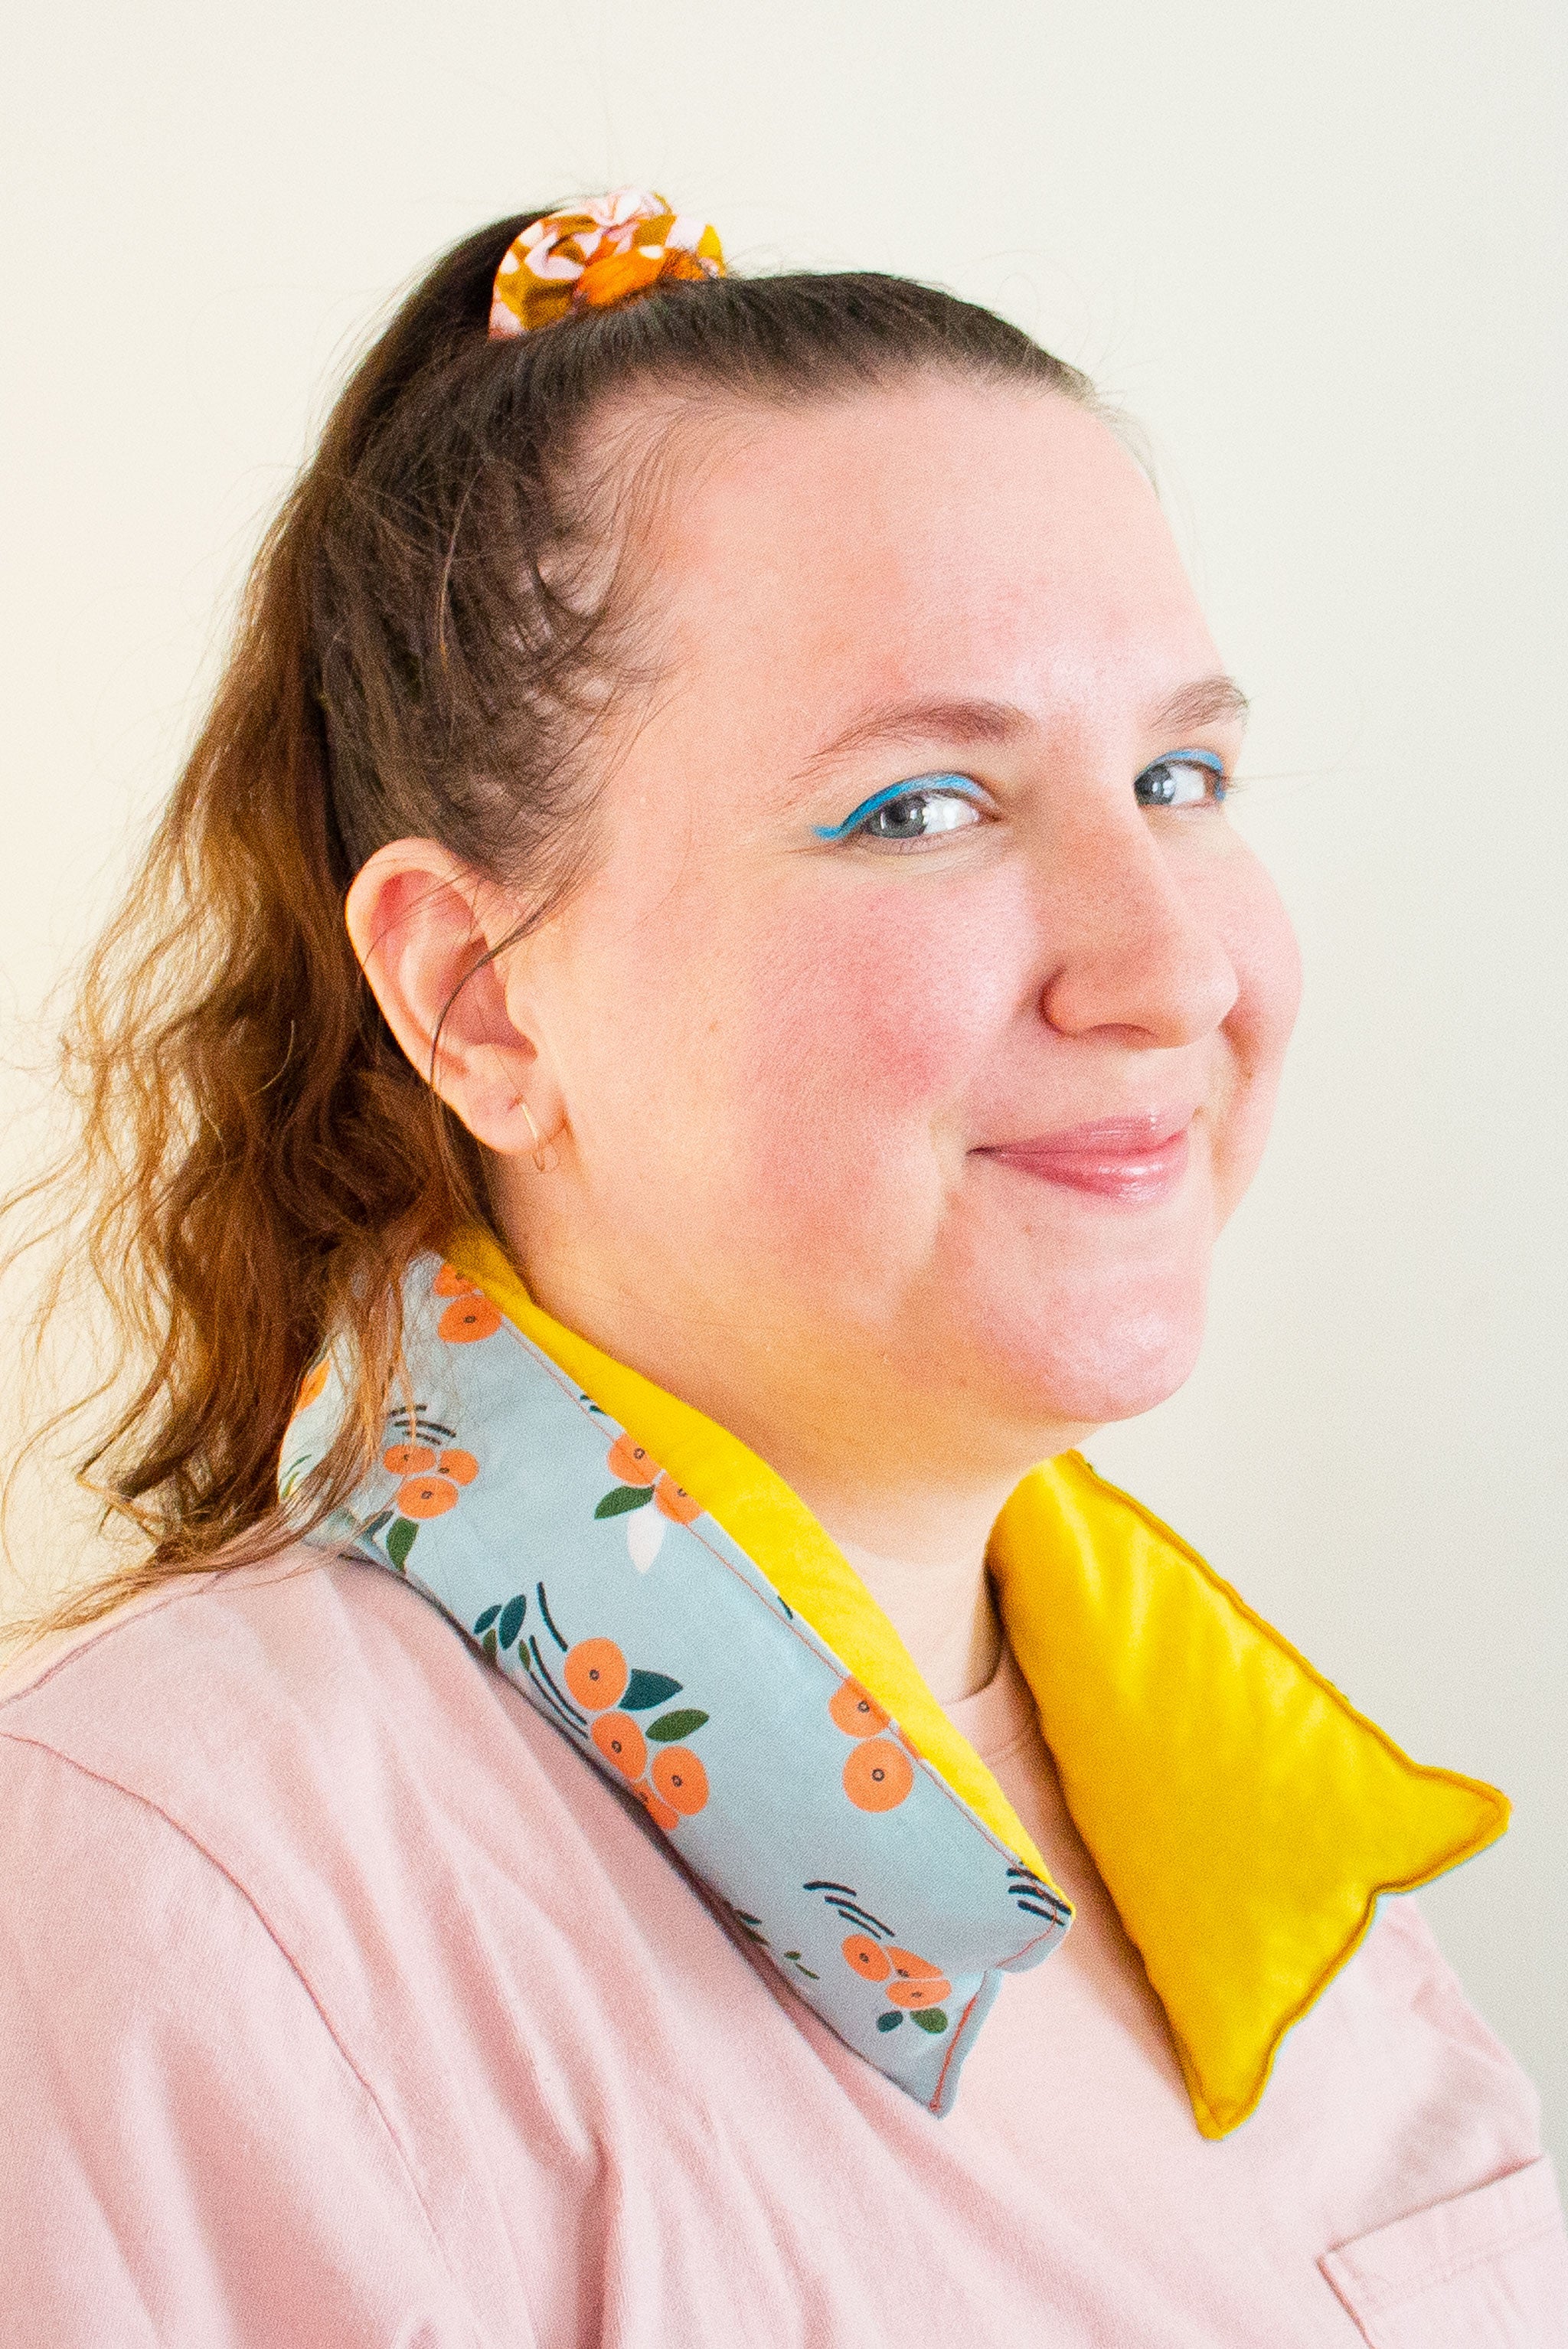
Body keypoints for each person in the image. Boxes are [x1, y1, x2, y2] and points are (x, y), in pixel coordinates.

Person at [2, 190, 1563, 2347]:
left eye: (1178, 774)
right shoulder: (164, 1908)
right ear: (481, 1002)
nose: (1172, 960)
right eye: (923, 806)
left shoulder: (1268, 1863)